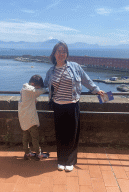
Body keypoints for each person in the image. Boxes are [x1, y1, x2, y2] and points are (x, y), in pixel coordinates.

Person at [44, 41, 104, 171]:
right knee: (60, 134)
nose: (61, 53)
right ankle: (61, 159)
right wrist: (30, 90)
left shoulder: (75, 67)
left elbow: (86, 80)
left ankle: (70, 161)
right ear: (54, 54)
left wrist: (96, 90)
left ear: (67, 54)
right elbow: (44, 86)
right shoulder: (51, 71)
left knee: (72, 134)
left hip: (72, 105)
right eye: (59, 51)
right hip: (57, 106)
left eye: (64, 51)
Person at [18, 75, 49, 161]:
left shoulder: (24, 89)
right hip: (30, 118)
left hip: (23, 117)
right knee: (35, 137)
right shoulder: (30, 90)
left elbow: (33, 95)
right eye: (38, 87)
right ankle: (38, 154)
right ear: (32, 84)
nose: (39, 88)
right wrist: (47, 88)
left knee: (25, 136)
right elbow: (40, 91)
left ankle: (27, 152)